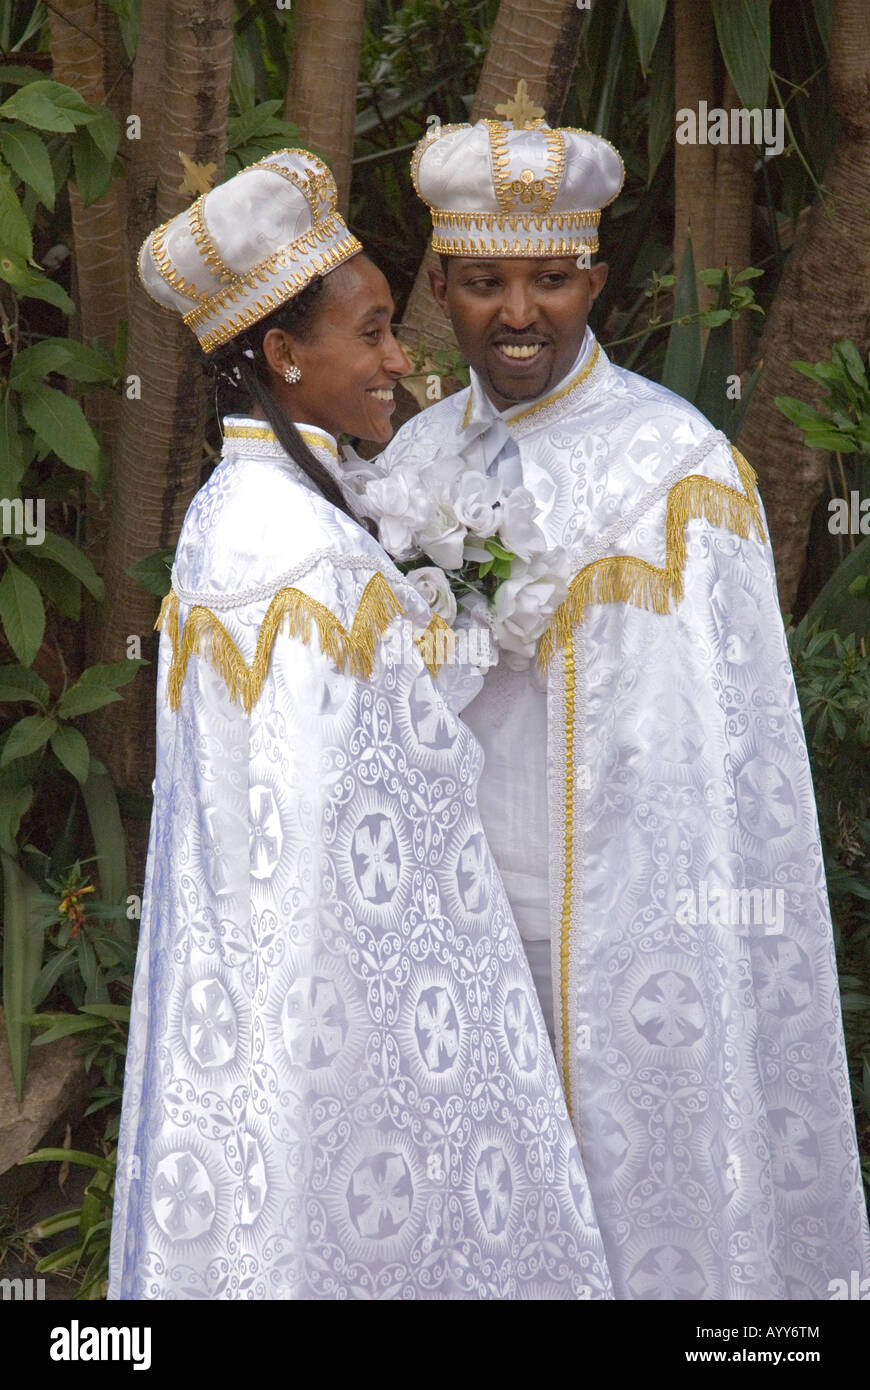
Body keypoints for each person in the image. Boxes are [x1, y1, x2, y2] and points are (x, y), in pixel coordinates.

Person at [376, 87, 870, 1300]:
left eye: (550, 279)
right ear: (440, 288)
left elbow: (718, 746)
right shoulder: (408, 464)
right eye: (487, 283)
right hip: (457, 916)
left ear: (595, 283)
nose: (519, 312)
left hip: (629, 925)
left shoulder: (680, 468)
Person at [107, 148, 612, 1301]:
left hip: (272, 989)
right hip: (341, 998)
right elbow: (386, 795)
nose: (401, 361)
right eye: (375, 333)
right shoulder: (304, 552)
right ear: (284, 356)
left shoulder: (240, 516)